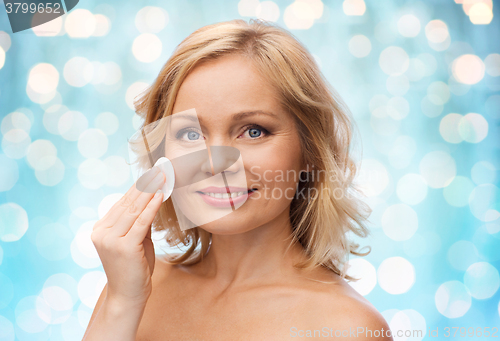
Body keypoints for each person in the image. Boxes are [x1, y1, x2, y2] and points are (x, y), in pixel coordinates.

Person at [82, 19, 393, 340]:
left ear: (310, 151)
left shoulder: (347, 327)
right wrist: (122, 303)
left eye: (254, 131)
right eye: (190, 133)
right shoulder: (133, 289)